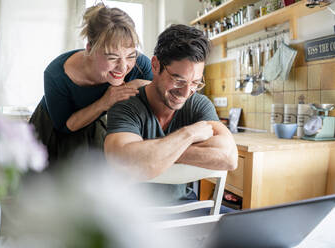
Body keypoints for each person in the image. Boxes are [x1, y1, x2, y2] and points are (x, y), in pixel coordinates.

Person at [104, 24, 238, 206]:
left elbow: (229, 157)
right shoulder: (126, 105)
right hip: (134, 215)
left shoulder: (198, 104)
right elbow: (123, 161)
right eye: (178, 80)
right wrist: (189, 135)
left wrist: (155, 154)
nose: (185, 92)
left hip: (186, 208)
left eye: (195, 83)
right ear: (155, 65)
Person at [29, 4, 153, 164]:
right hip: (55, 129)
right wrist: (105, 101)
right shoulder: (56, 75)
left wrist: (135, 83)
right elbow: (66, 126)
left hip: (97, 123)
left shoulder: (138, 64)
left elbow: (157, 89)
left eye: (130, 55)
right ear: (90, 49)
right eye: (112, 57)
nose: (123, 67)